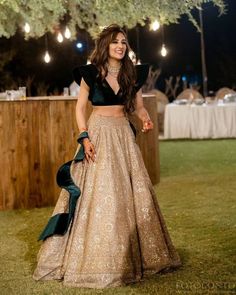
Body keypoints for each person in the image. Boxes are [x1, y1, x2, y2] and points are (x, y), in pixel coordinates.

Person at [33, 24, 182, 288]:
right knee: (101, 192)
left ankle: (132, 256)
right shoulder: (90, 74)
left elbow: (137, 107)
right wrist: (84, 136)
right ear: (106, 45)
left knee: (128, 191)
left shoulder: (131, 74)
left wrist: (145, 119)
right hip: (98, 133)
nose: (121, 46)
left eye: (124, 42)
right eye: (116, 42)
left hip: (123, 134)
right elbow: (80, 108)